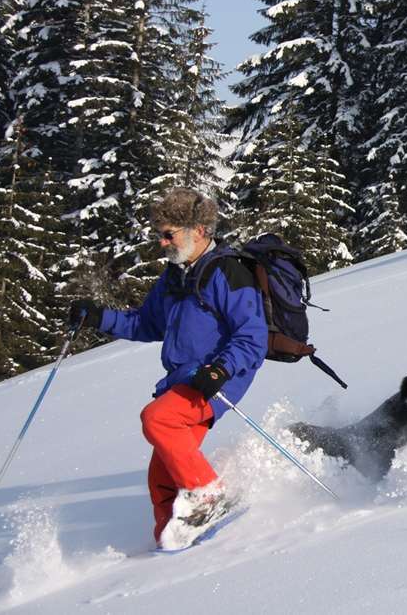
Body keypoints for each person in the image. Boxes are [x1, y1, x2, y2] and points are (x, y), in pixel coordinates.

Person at [68, 188, 268, 546]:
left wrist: (220, 370)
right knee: (161, 479)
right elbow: (147, 324)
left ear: (199, 230)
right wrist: (100, 318)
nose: (161, 242)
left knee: (158, 419)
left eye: (168, 234)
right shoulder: (175, 277)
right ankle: (172, 543)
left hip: (217, 379)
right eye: (160, 234)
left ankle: (208, 494)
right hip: (184, 379)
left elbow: (253, 336)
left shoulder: (228, 272)